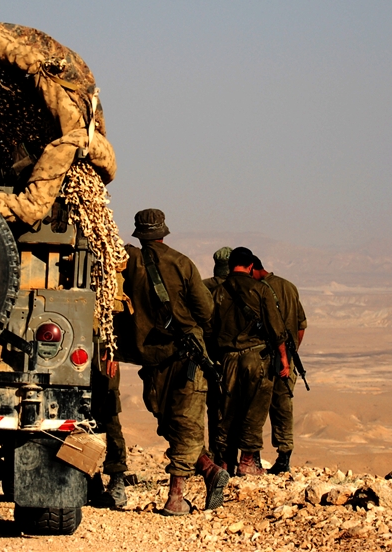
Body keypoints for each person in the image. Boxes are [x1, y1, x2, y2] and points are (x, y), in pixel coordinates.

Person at [121, 209, 229, 515]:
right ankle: (200, 476)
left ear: (139, 233)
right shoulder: (182, 263)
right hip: (186, 354)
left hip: (152, 358)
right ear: (163, 232)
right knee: (183, 421)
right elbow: (205, 311)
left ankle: (181, 491)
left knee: (171, 422)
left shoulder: (128, 261)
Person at [210, 247, 290, 477]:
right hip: (257, 358)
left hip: (228, 359)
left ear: (230, 265)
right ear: (251, 266)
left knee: (227, 411)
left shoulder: (218, 292)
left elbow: (210, 328)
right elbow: (276, 329)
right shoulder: (260, 290)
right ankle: (247, 462)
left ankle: (225, 462)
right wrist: (283, 359)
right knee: (255, 409)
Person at [251, 256, 307, 475]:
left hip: (264, 357)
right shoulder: (289, 287)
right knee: (283, 408)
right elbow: (301, 325)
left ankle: (253, 457)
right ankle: (284, 457)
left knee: (255, 407)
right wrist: (292, 353)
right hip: (287, 359)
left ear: (252, 269)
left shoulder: (257, 290)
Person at [88, 344, 129, 508]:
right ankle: (91, 480)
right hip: (74, 346)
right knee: (81, 414)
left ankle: (117, 480)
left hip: (103, 350)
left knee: (109, 413)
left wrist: (113, 351)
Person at [201, 246, 232, 463]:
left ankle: (215, 453)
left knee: (213, 407)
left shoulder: (203, 287)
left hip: (208, 355)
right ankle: (230, 456)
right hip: (232, 355)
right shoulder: (241, 288)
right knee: (234, 407)